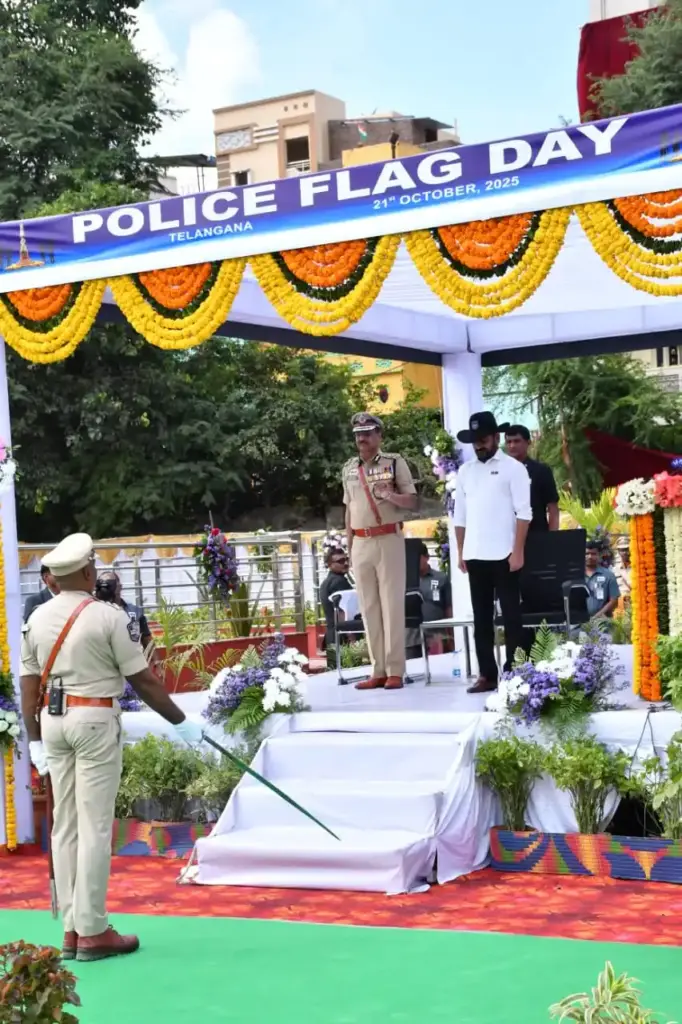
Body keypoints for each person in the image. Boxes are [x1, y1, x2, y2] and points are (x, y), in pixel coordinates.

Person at [20, 533, 204, 963]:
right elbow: (142, 679)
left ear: (53, 579)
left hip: (52, 723)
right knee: (95, 824)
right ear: (87, 572)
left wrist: (34, 743)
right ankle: (94, 930)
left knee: (64, 826)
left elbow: (28, 688)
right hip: (94, 719)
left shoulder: (37, 618)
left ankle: (70, 928)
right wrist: (181, 723)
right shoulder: (107, 616)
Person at [454, 412, 532, 694]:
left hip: (505, 554)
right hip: (475, 554)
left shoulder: (514, 469)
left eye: (483, 439)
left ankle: (514, 671)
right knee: (481, 619)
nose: (479, 445)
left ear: (496, 438)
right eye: (475, 441)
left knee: (512, 616)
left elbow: (525, 514)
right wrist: (461, 552)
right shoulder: (465, 472)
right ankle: (488, 674)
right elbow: (459, 517)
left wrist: (518, 551)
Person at [343, 412, 417, 691]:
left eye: (368, 433)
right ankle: (378, 670)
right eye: (358, 434)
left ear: (379, 435)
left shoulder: (394, 462)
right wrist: (349, 546)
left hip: (388, 538)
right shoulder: (349, 468)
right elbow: (349, 509)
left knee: (391, 605)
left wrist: (390, 495)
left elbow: (412, 501)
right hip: (360, 542)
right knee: (368, 607)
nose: (362, 438)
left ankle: (395, 669)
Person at [504, 424, 560, 532]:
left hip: (536, 536)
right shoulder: (499, 472)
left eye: (517, 441)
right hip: (507, 538)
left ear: (528, 443)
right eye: (509, 442)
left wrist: (552, 540)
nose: (512, 446)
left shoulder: (541, 471)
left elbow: (552, 508)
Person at [406, 543, 453, 654]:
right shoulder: (404, 580)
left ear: (427, 557)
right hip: (411, 638)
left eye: (418, 558)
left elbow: (448, 608)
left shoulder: (441, 578)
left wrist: (451, 636)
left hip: (437, 636)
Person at [95, 570, 153, 649]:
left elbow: (148, 642)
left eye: (109, 585)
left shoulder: (135, 612)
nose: (105, 589)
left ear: (120, 587)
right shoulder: (94, 612)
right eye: (102, 586)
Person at [318, 547, 355, 668]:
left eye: (346, 559)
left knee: (336, 673)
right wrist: (352, 638)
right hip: (343, 637)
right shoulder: (338, 582)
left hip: (333, 636)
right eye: (340, 561)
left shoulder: (327, 582)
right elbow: (342, 611)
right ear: (329, 564)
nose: (345, 563)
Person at [585, 539, 620, 621]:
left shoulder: (608, 575)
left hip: (603, 623)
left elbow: (614, 600)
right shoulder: (576, 575)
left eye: (593, 554)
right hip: (579, 623)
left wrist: (597, 617)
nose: (590, 556)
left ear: (599, 555)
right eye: (586, 554)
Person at [613, 535, 632, 605]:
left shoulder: (638, 567)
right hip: (622, 605)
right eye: (622, 550)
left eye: (627, 549)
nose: (625, 552)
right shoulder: (615, 569)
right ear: (618, 551)